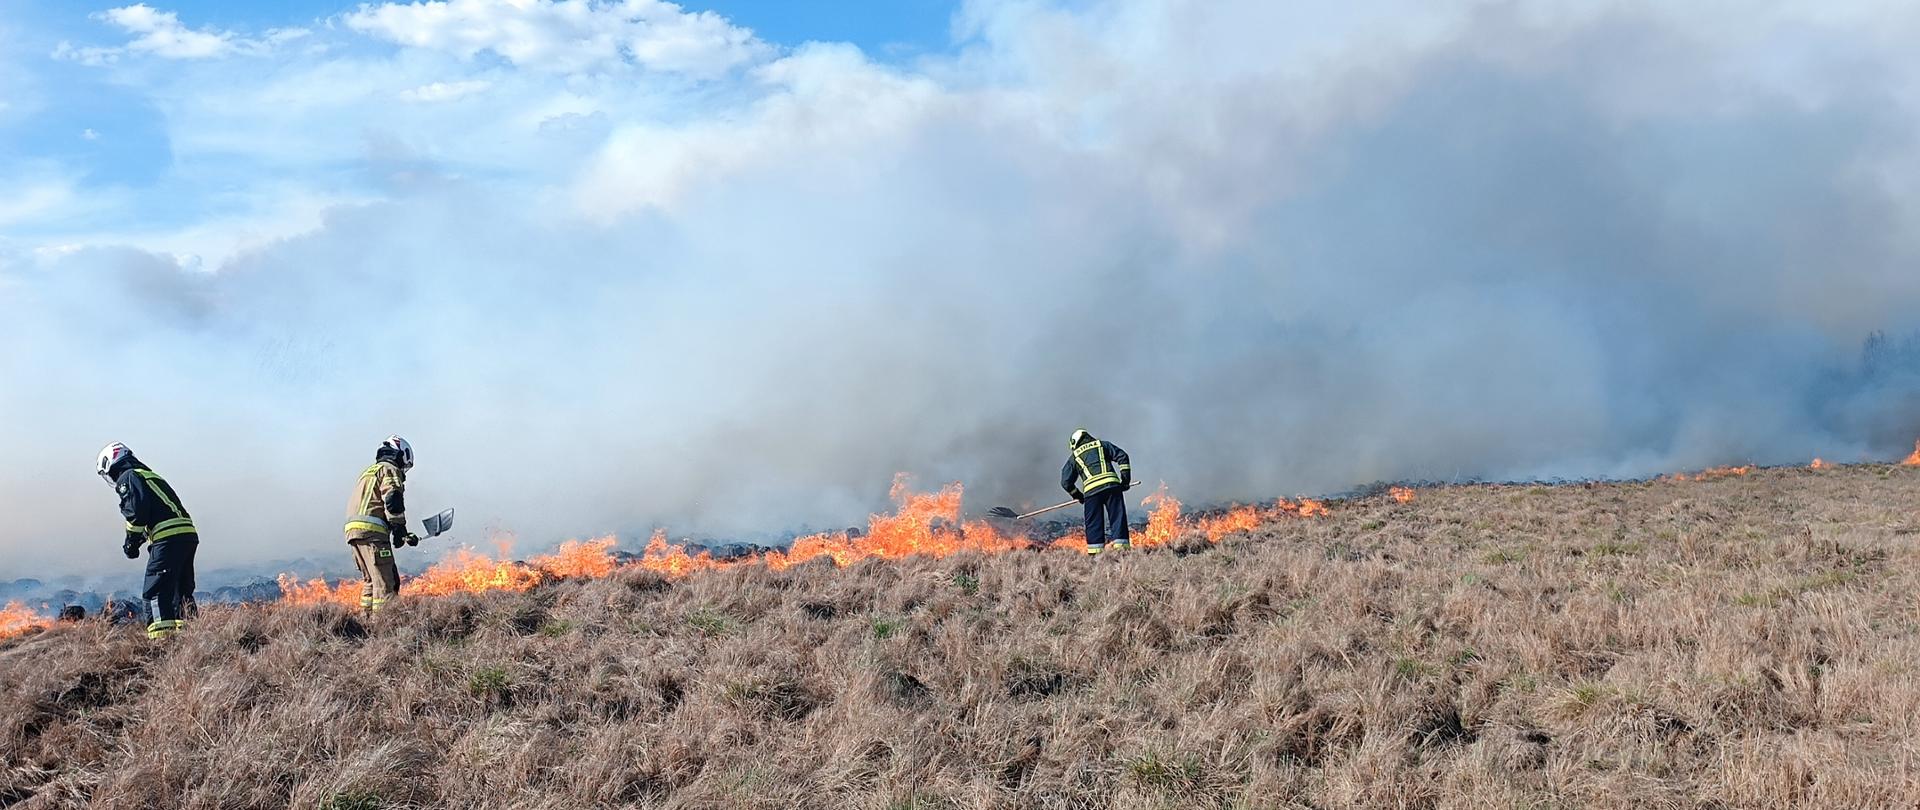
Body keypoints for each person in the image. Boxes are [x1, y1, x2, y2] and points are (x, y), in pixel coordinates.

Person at [98, 443, 198, 639]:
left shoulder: (128, 477)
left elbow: (137, 514)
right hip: (186, 536)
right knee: (180, 593)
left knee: (155, 592)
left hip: (168, 539)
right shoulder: (148, 475)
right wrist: (142, 538)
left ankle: (162, 643)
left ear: (112, 463)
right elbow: (157, 515)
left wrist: (131, 543)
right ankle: (191, 638)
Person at [345, 435, 416, 614]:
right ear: (401, 455)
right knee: (386, 583)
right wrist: (400, 529)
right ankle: (386, 627)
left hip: (354, 533)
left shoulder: (368, 472)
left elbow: (372, 503)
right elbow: (392, 498)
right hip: (372, 533)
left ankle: (366, 623)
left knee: (371, 581)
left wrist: (397, 531)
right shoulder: (389, 469)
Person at [1061, 429, 1132, 555]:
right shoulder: (1102, 445)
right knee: (1117, 518)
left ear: (1074, 444)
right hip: (1112, 487)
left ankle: (1096, 556)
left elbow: (1065, 482)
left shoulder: (1075, 456)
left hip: (1092, 493)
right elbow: (1123, 457)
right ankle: (1123, 553)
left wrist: (1078, 496)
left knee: (1094, 523)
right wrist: (1125, 481)